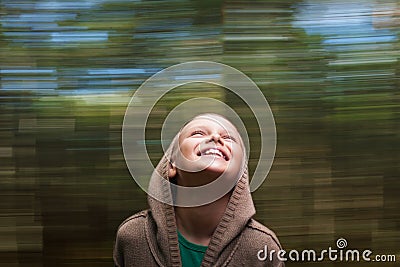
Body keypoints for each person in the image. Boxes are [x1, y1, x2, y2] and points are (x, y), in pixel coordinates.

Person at [113, 113, 284, 267]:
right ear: (171, 165)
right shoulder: (133, 237)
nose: (216, 137)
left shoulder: (262, 247)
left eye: (229, 137)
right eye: (198, 133)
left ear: (241, 174)